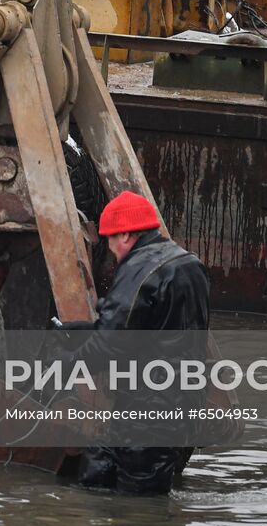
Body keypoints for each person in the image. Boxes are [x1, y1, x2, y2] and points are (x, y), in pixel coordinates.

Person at [74, 189, 209, 494]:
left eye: (109, 240)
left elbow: (108, 346)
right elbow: (153, 328)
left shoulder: (139, 268)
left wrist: (58, 370)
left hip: (151, 414)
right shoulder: (187, 263)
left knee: (139, 505)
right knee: (96, 473)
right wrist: (84, 328)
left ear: (124, 236)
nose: (111, 251)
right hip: (177, 404)